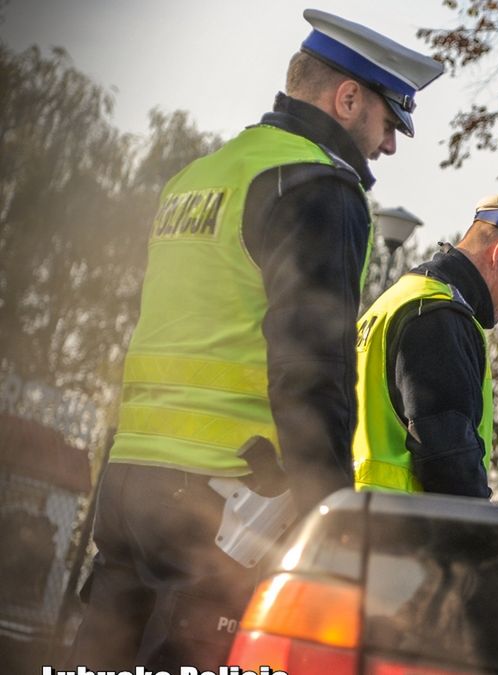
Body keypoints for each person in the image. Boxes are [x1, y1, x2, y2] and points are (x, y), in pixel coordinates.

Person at [69, 10, 443, 669]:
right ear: (347, 98)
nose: (389, 147)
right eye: (390, 123)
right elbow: (311, 371)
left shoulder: (201, 176)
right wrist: (331, 519)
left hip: (129, 481)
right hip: (219, 504)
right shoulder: (318, 186)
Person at [352, 195, 498, 497]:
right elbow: (448, 460)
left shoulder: (399, 299)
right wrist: (480, 534)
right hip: (402, 534)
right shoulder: (438, 316)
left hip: (353, 520)